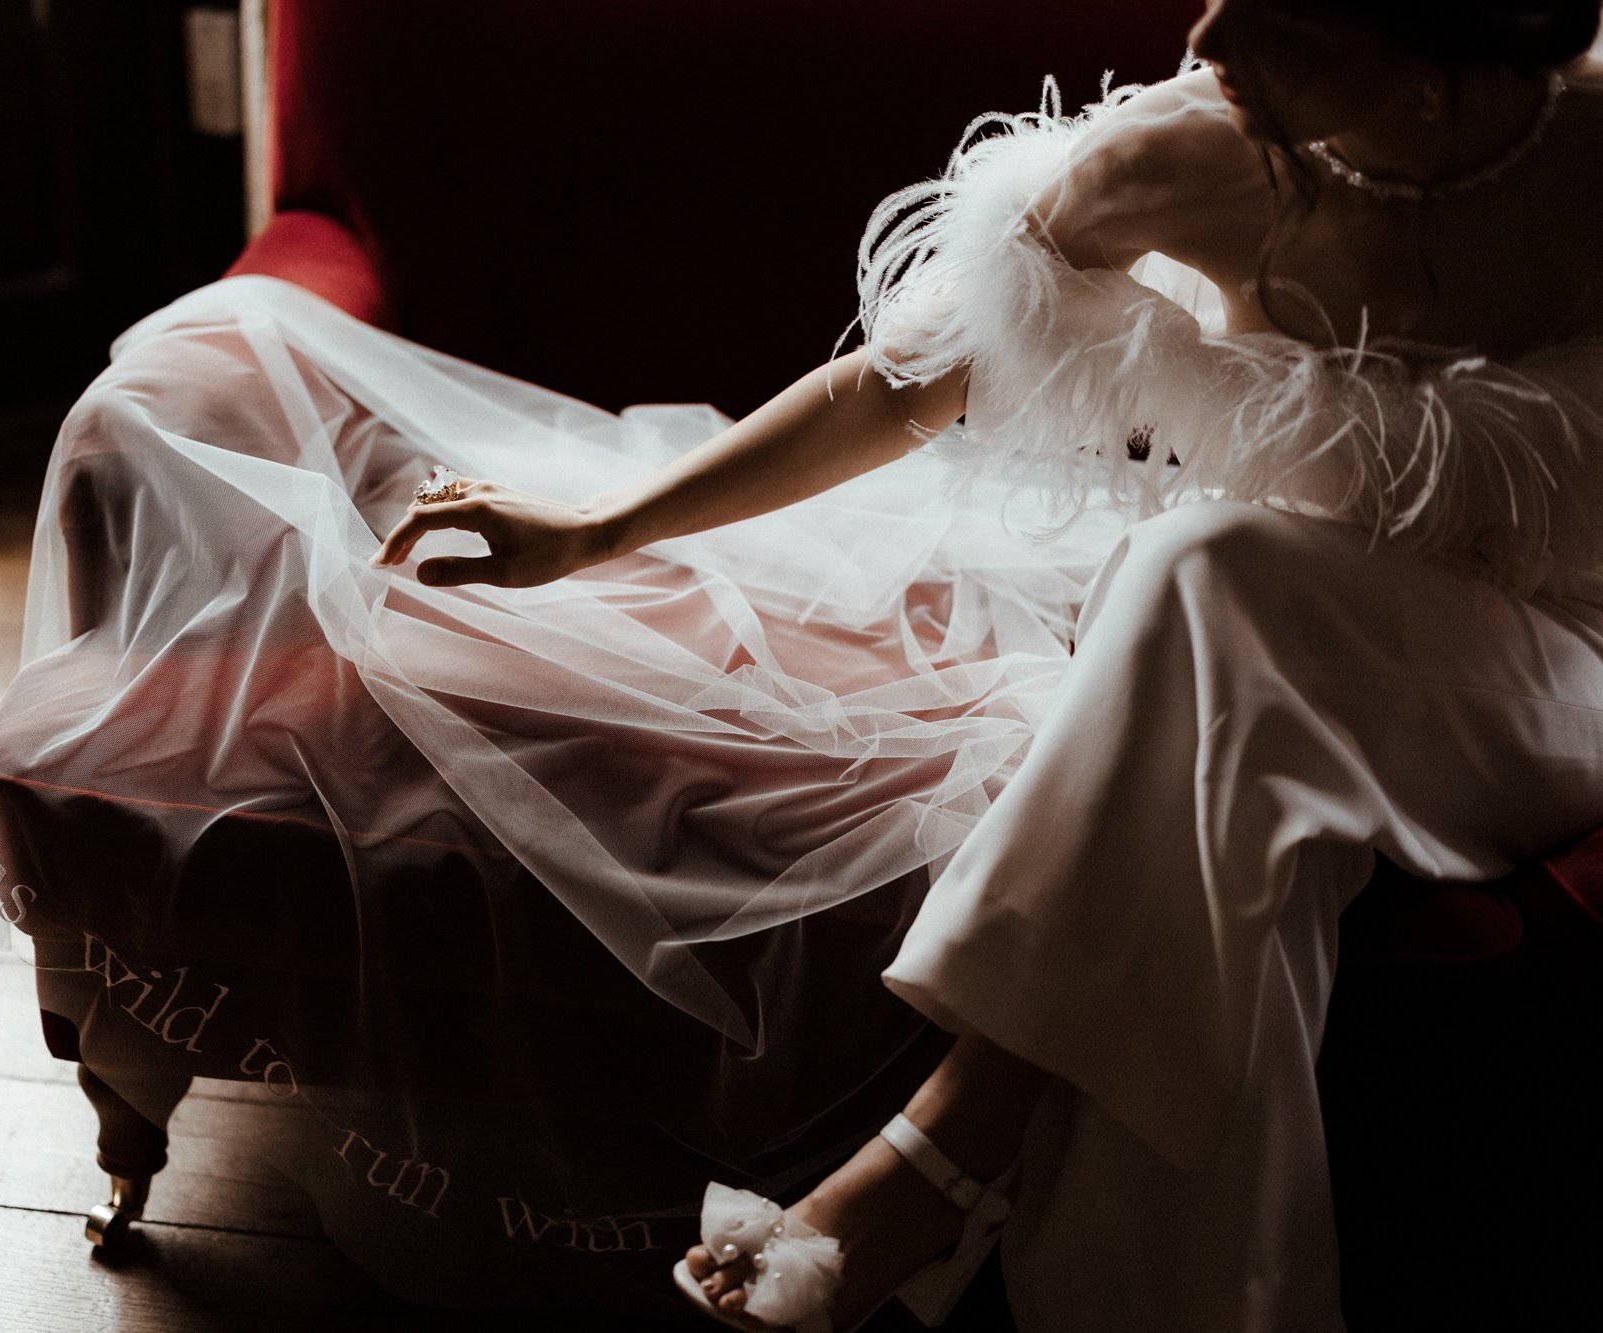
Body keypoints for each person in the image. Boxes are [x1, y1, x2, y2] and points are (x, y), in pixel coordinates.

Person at [370, 1, 1603, 1328]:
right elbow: (912, 380)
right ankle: (1008, 1195)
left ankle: (950, 1144)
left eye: (1287, 18)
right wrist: (604, 529)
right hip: (1257, 679)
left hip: (1545, 675)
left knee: (1201, 574)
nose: (1211, 36)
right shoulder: (1176, 158)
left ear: (1438, 58)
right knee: (1212, 683)